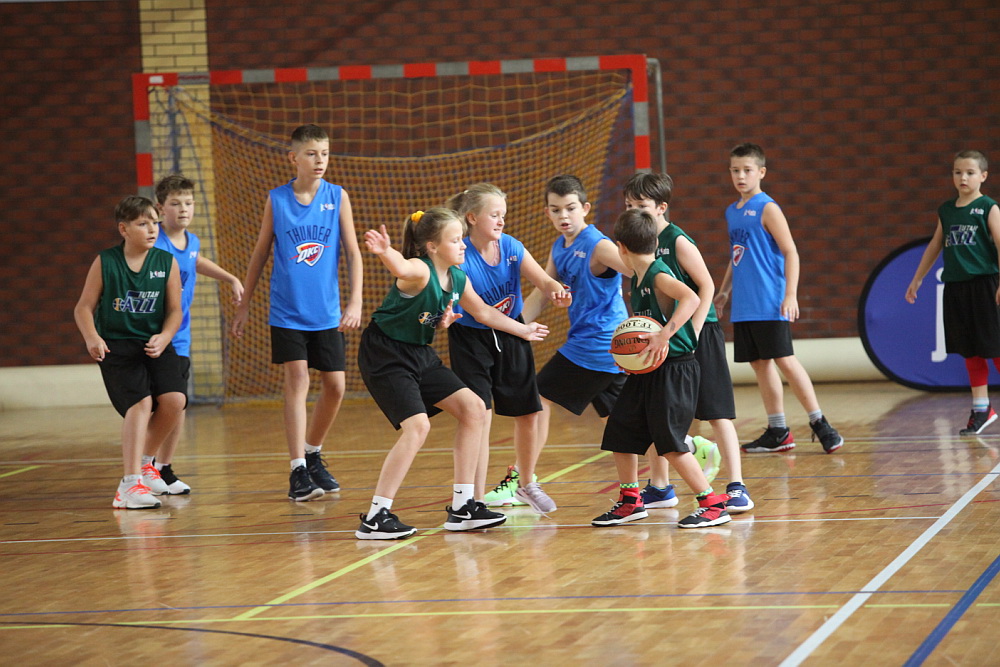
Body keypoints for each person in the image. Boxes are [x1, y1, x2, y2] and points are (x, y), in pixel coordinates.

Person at [354, 207, 549, 540]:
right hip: (385, 354)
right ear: (432, 246)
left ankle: (463, 507)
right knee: (418, 427)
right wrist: (385, 251)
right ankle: (376, 516)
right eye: (455, 240)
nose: (462, 246)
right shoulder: (421, 270)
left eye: (462, 239)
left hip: (419, 353)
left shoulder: (457, 277)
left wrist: (523, 330)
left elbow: (483, 312)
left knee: (474, 408)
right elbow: (401, 267)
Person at [231, 124, 363, 501]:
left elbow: (353, 253)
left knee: (335, 386)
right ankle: (297, 470)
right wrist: (244, 305)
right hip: (287, 311)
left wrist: (355, 301)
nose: (319, 160)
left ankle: (313, 453)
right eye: (311, 153)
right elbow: (260, 253)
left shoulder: (337, 197)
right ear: (293, 158)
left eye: (324, 153)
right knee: (298, 379)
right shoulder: (277, 199)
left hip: (327, 312)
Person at [484, 175, 629, 507]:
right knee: (621, 421)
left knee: (538, 399)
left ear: (585, 208)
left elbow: (637, 269)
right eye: (556, 209)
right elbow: (543, 292)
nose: (564, 215)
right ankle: (687, 447)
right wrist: (513, 327)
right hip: (600, 347)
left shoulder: (598, 245)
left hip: (597, 343)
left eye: (570, 208)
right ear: (547, 212)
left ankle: (521, 481)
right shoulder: (560, 247)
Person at [592, 209, 731, 528]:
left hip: (676, 369)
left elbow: (691, 298)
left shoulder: (657, 274)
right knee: (620, 429)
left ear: (621, 248)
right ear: (654, 242)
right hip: (652, 369)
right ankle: (630, 501)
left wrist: (666, 334)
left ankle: (712, 504)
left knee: (669, 441)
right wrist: (631, 357)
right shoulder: (639, 276)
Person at [623, 172, 753, 513]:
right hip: (662, 334)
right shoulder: (637, 246)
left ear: (661, 207)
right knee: (657, 410)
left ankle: (737, 486)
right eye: (629, 205)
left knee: (716, 410)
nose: (634, 211)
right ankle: (660, 486)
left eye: (641, 206)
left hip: (697, 331)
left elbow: (705, 286)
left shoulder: (677, 240)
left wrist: (693, 331)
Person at [446, 184, 571, 514]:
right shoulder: (460, 259)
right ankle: (474, 499)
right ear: (472, 218)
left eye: (503, 214)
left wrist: (556, 291)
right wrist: (524, 330)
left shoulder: (511, 246)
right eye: (494, 215)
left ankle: (526, 483)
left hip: (511, 334)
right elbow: (482, 314)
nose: (501, 221)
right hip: (473, 340)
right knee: (479, 416)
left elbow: (544, 280)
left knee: (528, 412)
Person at [714, 142, 844, 454]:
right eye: (735, 170)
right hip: (744, 304)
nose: (740, 176)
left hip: (770, 300)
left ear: (761, 172)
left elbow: (790, 251)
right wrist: (724, 291)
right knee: (760, 364)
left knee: (785, 359)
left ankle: (820, 423)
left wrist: (790, 294)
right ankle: (778, 430)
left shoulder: (768, 208)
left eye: (747, 170)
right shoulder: (732, 211)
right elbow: (737, 255)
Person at [74, 195, 187, 509]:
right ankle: (128, 485)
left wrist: (165, 336)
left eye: (154, 222)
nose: (152, 229)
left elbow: (175, 311)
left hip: (154, 342)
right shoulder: (106, 262)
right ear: (123, 229)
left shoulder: (166, 262)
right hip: (117, 344)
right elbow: (83, 307)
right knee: (141, 403)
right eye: (142, 224)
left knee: (175, 400)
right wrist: (92, 337)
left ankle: (146, 464)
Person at [137, 173, 244, 495]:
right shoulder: (155, 242)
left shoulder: (192, 242)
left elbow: (195, 260)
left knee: (178, 403)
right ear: (160, 208)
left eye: (188, 203)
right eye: (175, 203)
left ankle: (163, 468)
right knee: (161, 403)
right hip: (153, 335)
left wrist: (230, 278)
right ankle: (142, 465)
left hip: (180, 335)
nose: (183, 209)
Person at [906, 150, 1000, 434]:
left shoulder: (988, 207)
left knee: (996, 348)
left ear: (983, 176)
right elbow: (936, 244)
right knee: (970, 351)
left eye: (970, 172)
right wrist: (918, 278)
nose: (963, 177)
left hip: (985, 285)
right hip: (956, 288)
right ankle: (982, 409)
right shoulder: (946, 210)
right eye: (958, 172)